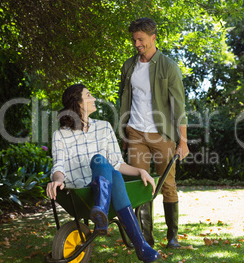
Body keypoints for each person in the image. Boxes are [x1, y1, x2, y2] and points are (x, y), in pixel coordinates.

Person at [47, 84, 160, 262]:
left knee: (106, 166)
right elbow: (58, 166)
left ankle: (101, 210)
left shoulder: (104, 127)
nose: (94, 99)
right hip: (82, 191)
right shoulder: (60, 135)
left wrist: (141, 171)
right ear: (78, 102)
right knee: (105, 165)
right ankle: (140, 245)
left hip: (102, 188)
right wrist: (58, 180)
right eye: (89, 95)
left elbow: (117, 163)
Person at [119, 17, 189, 249]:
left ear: (153, 37)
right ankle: (144, 239)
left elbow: (179, 106)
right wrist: (124, 134)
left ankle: (172, 237)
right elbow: (124, 101)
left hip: (162, 135)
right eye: (134, 40)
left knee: (167, 184)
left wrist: (183, 141)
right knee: (140, 184)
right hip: (135, 133)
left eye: (141, 39)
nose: (137, 44)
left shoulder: (168, 67)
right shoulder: (128, 66)